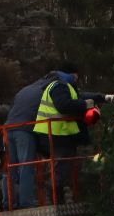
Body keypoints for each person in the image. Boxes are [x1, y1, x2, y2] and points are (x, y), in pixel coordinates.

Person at [30, 63, 99, 205]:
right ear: (71, 74)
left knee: (62, 166)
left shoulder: (60, 86)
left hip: (56, 132)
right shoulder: (60, 86)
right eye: (76, 76)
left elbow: (77, 98)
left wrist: (100, 97)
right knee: (61, 166)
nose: (77, 79)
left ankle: (59, 195)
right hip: (56, 133)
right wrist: (88, 104)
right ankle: (53, 194)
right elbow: (64, 105)